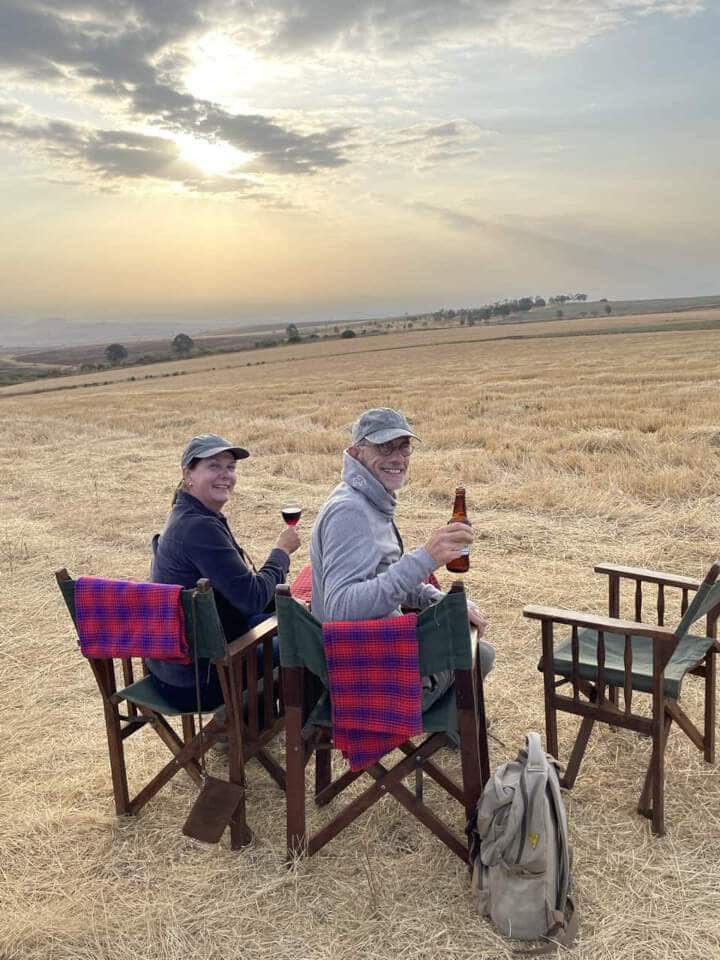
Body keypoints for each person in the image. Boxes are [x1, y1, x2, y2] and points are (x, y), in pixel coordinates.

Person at [310, 408, 495, 706]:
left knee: (470, 639)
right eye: (384, 446)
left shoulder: (368, 499)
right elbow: (339, 608)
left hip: (375, 647)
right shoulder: (350, 511)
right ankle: (447, 729)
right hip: (363, 672)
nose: (397, 457)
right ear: (356, 452)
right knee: (479, 654)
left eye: (403, 446)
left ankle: (450, 727)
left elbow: (384, 572)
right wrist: (425, 559)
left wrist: (438, 600)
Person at [148, 433, 300, 711]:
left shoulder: (189, 515)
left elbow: (244, 596)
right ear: (188, 474)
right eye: (214, 466)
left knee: (297, 617)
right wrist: (281, 553)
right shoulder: (199, 528)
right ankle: (299, 736)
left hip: (177, 664)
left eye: (230, 467)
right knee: (307, 640)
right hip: (200, 679)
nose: (225, 475)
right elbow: (253, 598)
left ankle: (254, 723)